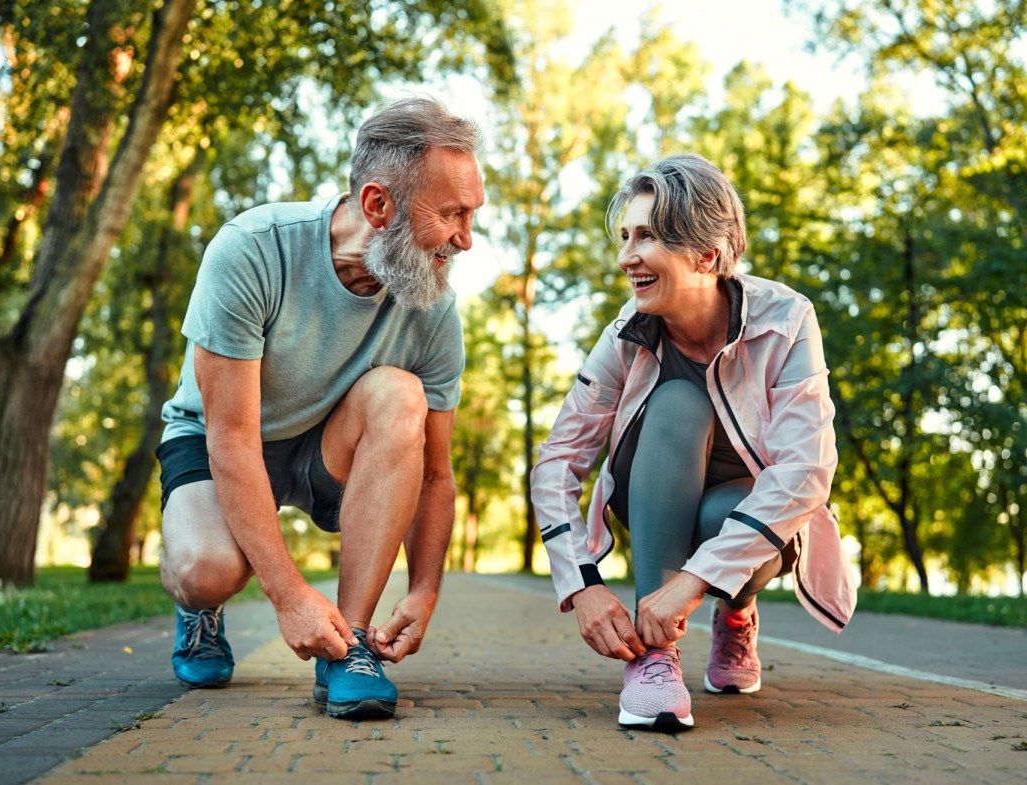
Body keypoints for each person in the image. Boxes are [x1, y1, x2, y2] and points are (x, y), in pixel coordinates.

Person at [154, 95, 485, 721]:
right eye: (451, 215)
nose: (465, 240)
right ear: (378, 205)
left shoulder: (433, 309)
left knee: (400, 394)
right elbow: (231, 439)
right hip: (218, 436)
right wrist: (288, 597)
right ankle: (199, 610)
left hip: (324, 446)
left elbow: (436, 475)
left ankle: (349, 646)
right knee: (206, 571)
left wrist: (425, 590)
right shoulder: (252, 250)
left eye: (472, 215)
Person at [531, 153, 856, 733]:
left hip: (748, 514)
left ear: (707, 255)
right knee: (679, 400)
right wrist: (583, 586)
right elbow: (556, 463)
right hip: (652, 499)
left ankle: (737, 613)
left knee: (722, 515)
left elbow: (806, 470)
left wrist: (692, 583)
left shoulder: (786, 320)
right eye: (625, 237)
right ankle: (654, 657)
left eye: (647, 237)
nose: (626, 257)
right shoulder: (625, 335)